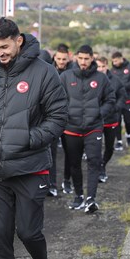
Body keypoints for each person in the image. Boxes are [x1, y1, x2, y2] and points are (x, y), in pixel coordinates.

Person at [0, 18, 68, 259]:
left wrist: (27, 138)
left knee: (28, 232)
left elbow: (58, 118)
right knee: (0, 236)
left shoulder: (44, 72)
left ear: (19, 41)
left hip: (30, 168)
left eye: (5, 47)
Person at [60, 45, 115, 213]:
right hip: (71, 129)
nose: (83, 62)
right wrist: (65, 116)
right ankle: (78, 197)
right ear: (76, 57)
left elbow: (110, 99)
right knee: (74, 164)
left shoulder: (101, 78)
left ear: (92, 59)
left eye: (86, 58)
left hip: (93, 128)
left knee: (94, 162)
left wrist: (99, 113)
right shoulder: (65, 77)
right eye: (81, 58)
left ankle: (91, 199)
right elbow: (57, 100)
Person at [96, 57, 127, 183]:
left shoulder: (116, 81)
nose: (101, 69)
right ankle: (98, 169)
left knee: (109, 147)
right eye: (98, 66)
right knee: (95, 147)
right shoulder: (91, 80)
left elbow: (122, 95)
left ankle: (103, 164)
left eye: (103, 66)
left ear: (107, 66)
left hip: (111, 119)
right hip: (96, 121)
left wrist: (116, 108)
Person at [51, 45, 75, 195]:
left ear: (69, 58)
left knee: (70, 154)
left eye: (64, 59)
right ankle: (51, 184)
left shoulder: (74, 72)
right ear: (54, 57)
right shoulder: (48, 70)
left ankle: (67, 180)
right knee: (51, 154)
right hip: (53, 119)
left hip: (69, 120)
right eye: (58, 59)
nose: (61, 62)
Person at [110, 52, 130, 149]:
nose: (114, 63)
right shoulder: (112, 70)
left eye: (116, 61)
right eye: (113, 61)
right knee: (117, 121)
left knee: (128, 121)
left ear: (121, 59)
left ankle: (129, 136)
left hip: (127, 100)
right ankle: (119, 141)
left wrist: (121, 87)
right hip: (117, 101)